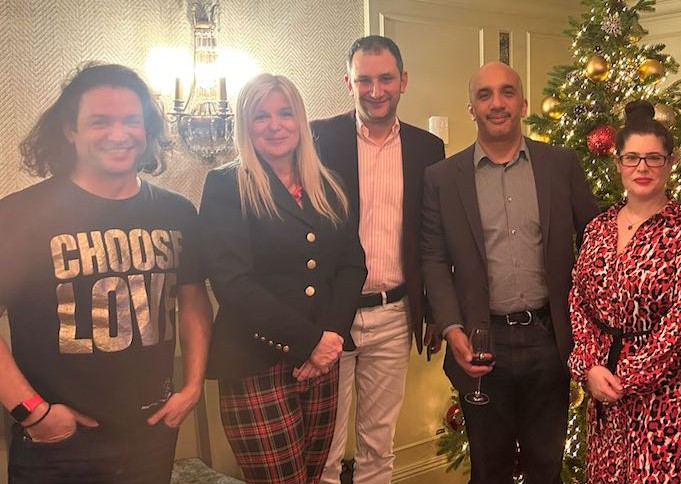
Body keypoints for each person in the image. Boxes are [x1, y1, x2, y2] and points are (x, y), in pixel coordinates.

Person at [0, 62, 213, 483]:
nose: (119, 134)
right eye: (100, 121)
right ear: (70, 130)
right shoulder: (18, 216)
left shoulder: (177, 211)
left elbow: (192, 299)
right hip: (58, 442)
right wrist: (33, 412)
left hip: (151, 434)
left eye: (131, 120)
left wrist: (191, 387)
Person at [421, 61, 598, 483]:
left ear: (523, 102)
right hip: (481, 343)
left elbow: (596, 241)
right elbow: (431, 258)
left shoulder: (561, 164)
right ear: (471, 108)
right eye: (485, 95)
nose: (496, 104)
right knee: (489, 469)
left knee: (546, 467)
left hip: (549, 340)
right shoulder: (442, 178)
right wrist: (451, 329)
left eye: (506, 92)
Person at [199, 73, 366, 484]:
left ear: (301, 121)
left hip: (324, 358)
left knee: (313, 476)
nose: (275, 125)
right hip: (256, 362)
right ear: (245, 125)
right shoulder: (227, 185)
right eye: (261, 116)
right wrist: (310, 342)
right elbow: (233, 282)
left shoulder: (329, 184)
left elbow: (352, 266)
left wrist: (331, 336)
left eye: (285, 113)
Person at [310, 35, 445, 484]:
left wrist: (432, 308)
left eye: (385, 78)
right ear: (347, 82)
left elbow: (430, 236)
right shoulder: (318, 139)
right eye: (364, 79)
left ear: (402, 80)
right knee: (324, 450)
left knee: (378, 448)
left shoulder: (428, 149)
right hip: (331, 316)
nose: (375, 89)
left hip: (395, 312)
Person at [567, 101, 681, 482]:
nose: (643, 168)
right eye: (632, 157)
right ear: (617, 163)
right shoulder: (598, 228)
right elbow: (578, 300)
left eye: (654, 158)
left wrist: (624, 377)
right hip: (603, 393)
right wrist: (589, 368)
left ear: (669, 164)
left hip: (667, 399)